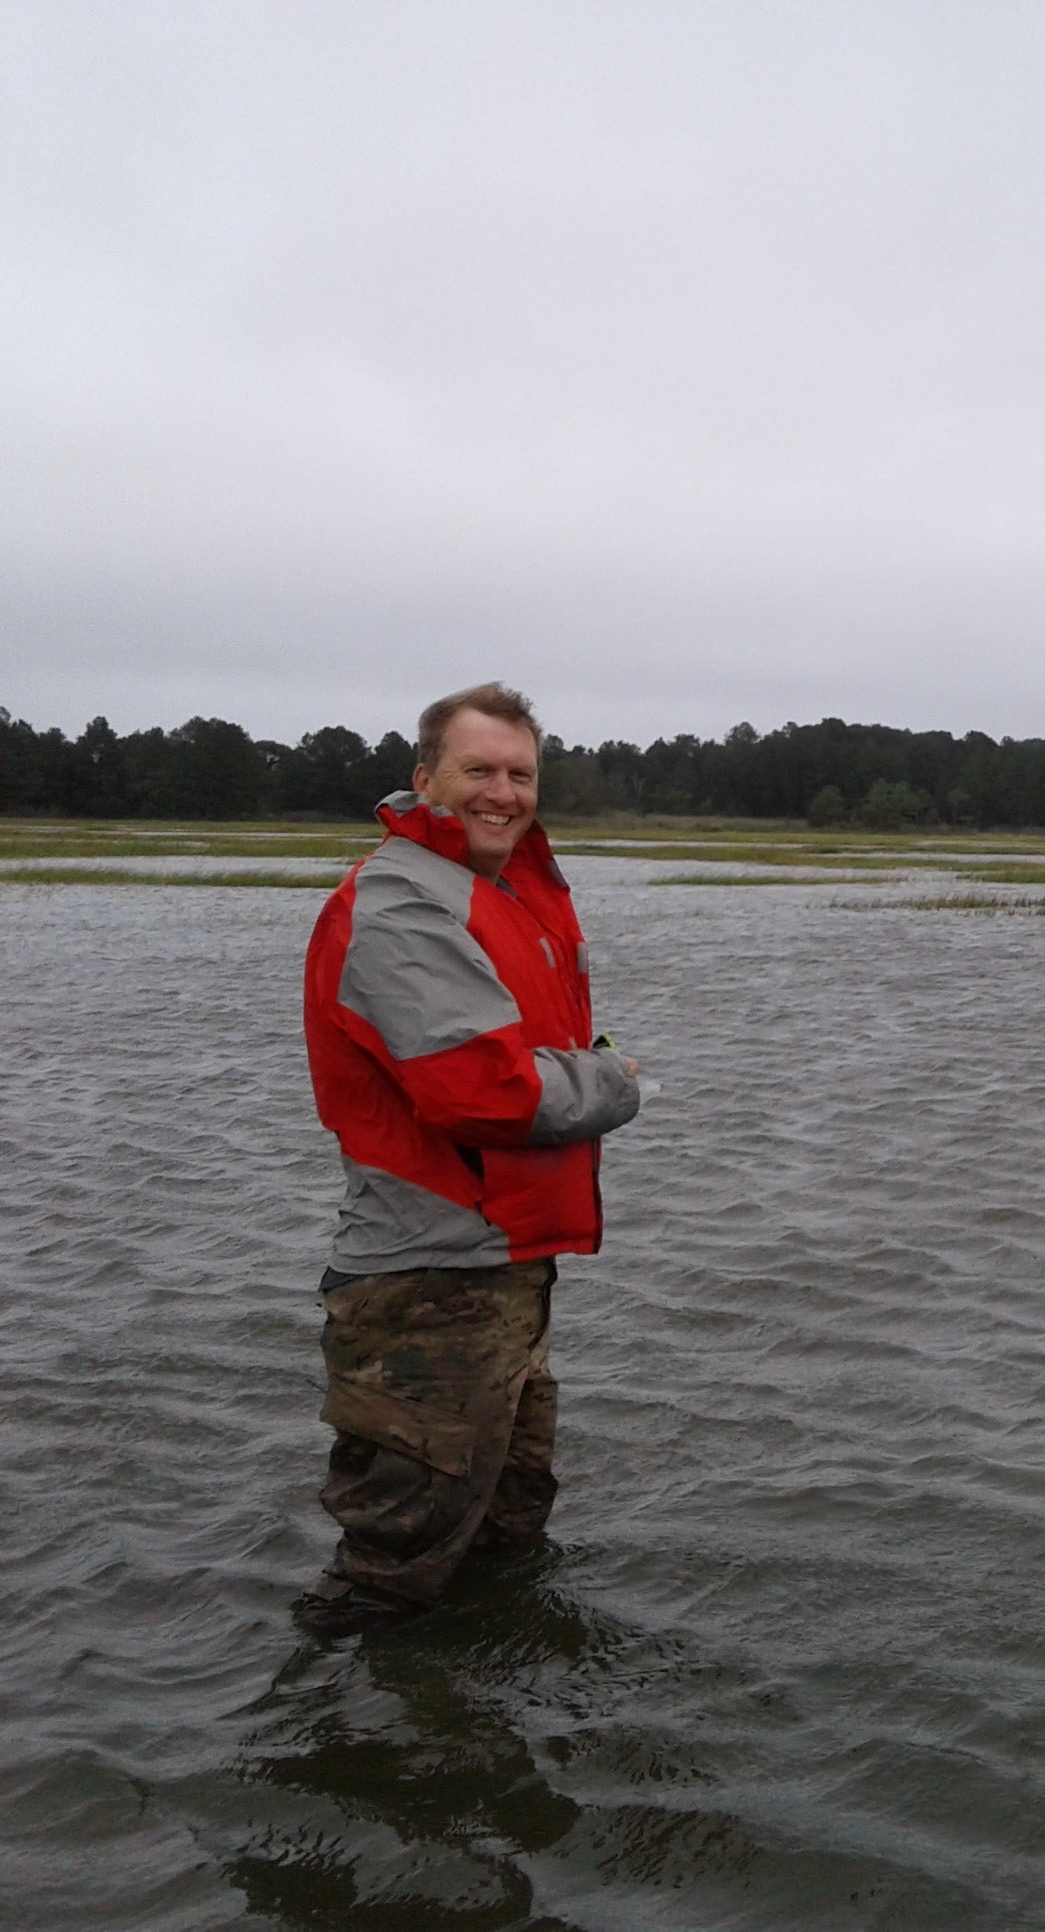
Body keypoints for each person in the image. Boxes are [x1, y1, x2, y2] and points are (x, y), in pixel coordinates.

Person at [293, 682, 641, 1636]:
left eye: (520, 774)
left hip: (502, 1270)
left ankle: (476, 1706)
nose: (502, 792)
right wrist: (613, 1080)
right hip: (425, 1282)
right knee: (389, 1575)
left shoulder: (500, 891)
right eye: (477, 769)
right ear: (425, 778)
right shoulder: (400, 903)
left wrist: (576, 1072)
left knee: (503, 1542)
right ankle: (339, 1717)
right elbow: (487, 1092)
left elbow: (521, 1065)